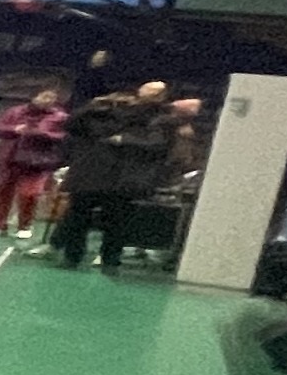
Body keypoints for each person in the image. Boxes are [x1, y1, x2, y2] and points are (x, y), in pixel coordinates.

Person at [52, 81, 188, 269]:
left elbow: (158, 144)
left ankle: (109, 260)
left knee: (116, 221)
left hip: (123, 178)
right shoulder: (99, 114)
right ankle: (72, 256)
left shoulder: (160, 118)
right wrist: (91, 108)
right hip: (90, 172)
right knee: (77, 217)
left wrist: (124, 140)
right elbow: (72, 125)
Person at [0, 87, 69, 245]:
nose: (47, 100)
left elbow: (64, 136)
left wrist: (43, 134)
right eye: (44, 96)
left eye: (52, 98)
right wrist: (15, 129)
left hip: (37, 161)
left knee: (29, 194)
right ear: (35, 97)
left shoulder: (60, 117)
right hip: (11, 157)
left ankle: (25, 226)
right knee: (2, 191)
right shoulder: (15, 111)